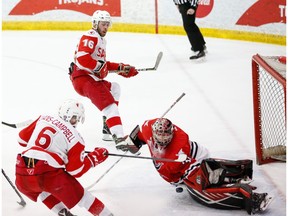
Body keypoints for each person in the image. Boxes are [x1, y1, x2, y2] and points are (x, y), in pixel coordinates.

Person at [118, 118, 272, 215]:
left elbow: (182, 169)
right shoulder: (148, 127)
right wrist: (132, 143)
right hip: (180, 168)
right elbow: (139, 135)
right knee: (200, 180)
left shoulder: (178, 147)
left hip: (192, 161)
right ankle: (240, 171)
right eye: (160, 135)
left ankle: (251, 198)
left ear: (172, 133)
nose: (163, 139)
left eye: (167, 135)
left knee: (202, 189)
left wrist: (184, 180)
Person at [15, 99, 113, 216]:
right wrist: (93, 158)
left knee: (40, 188)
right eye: (75, 118)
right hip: (47, 173)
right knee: (84, 197)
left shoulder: (44, 118)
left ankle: (62, 212)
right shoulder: (76, 138)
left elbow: (21, 139)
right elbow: (75, 170)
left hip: (22, 173)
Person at [68, 10, 138, 149]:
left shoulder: (101, 39)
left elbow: (101, 64)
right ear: (95, 23)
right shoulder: (91, 36)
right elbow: (82, 59)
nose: (105, 27)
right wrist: (100, 67)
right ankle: (119, 138)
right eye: (103, 24)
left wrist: (121, 67)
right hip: (84, 78)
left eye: (107, 24)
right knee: (110, 106)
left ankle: (107, 130)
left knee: (115, 88)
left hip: (89, 78)